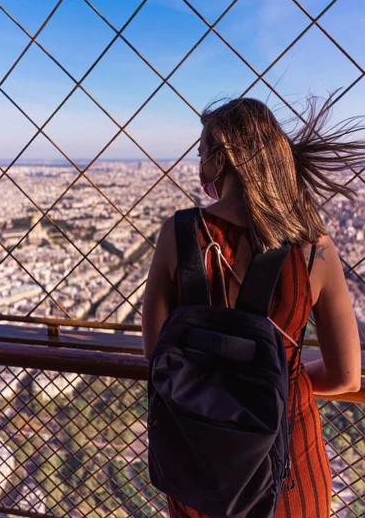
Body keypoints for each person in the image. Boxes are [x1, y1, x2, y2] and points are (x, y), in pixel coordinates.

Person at [142, 95, 363, 518]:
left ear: (222, 160)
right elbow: (346, 374)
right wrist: (276, 383)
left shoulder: (179, 234)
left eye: (202, 153)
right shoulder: (315, 250)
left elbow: (155, 353)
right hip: (288, 467)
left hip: (199, 466)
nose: (199, 166)